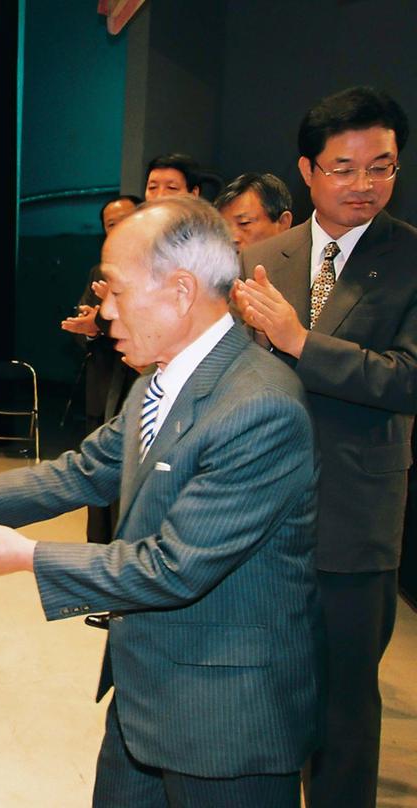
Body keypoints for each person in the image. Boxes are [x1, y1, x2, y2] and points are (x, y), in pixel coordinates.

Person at [0, 196, 321, 806]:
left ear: (181, 291)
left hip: (224, 721)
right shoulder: (157, 380)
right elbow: (88, 469)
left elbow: (175, 566)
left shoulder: (257, 407)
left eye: (115, 291)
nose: (103, 311)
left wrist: (29, 556)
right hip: (145, 695)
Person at [231, 85, 416, 808]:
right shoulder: (264, 257)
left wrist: (299, 340)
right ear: (307, 170)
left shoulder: (408, 259)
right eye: (345, 168)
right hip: (260, 516)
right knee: (264, 694)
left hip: (353, 519)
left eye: (383, 166)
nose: (365, 184)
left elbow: (406, 379)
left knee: (343, 710)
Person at [60, 194, 142, 543]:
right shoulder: (99, 273)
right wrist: (91, 329)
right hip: (104, 389)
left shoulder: (161, 271)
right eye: (112, 224)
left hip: (142, 391)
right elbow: (85, 328)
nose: (120, 229)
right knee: (97, 485)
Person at [215, 172, 293, 252]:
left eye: (244, 223)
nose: (232, 239)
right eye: (223, 228)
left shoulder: (303, 262)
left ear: (283, 223)